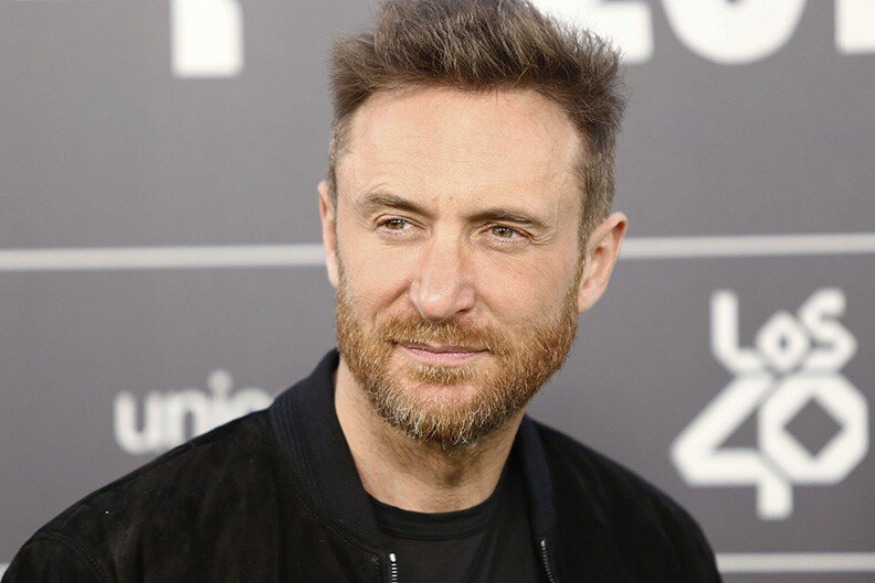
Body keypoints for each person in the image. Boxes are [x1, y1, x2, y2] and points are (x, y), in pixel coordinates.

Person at [3, 0, 722, 581]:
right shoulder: (112, 564)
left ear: (594, 263)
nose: (438, 294)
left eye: (502, 231)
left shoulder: (654, 551)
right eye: (397, 223)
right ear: (331, 233)